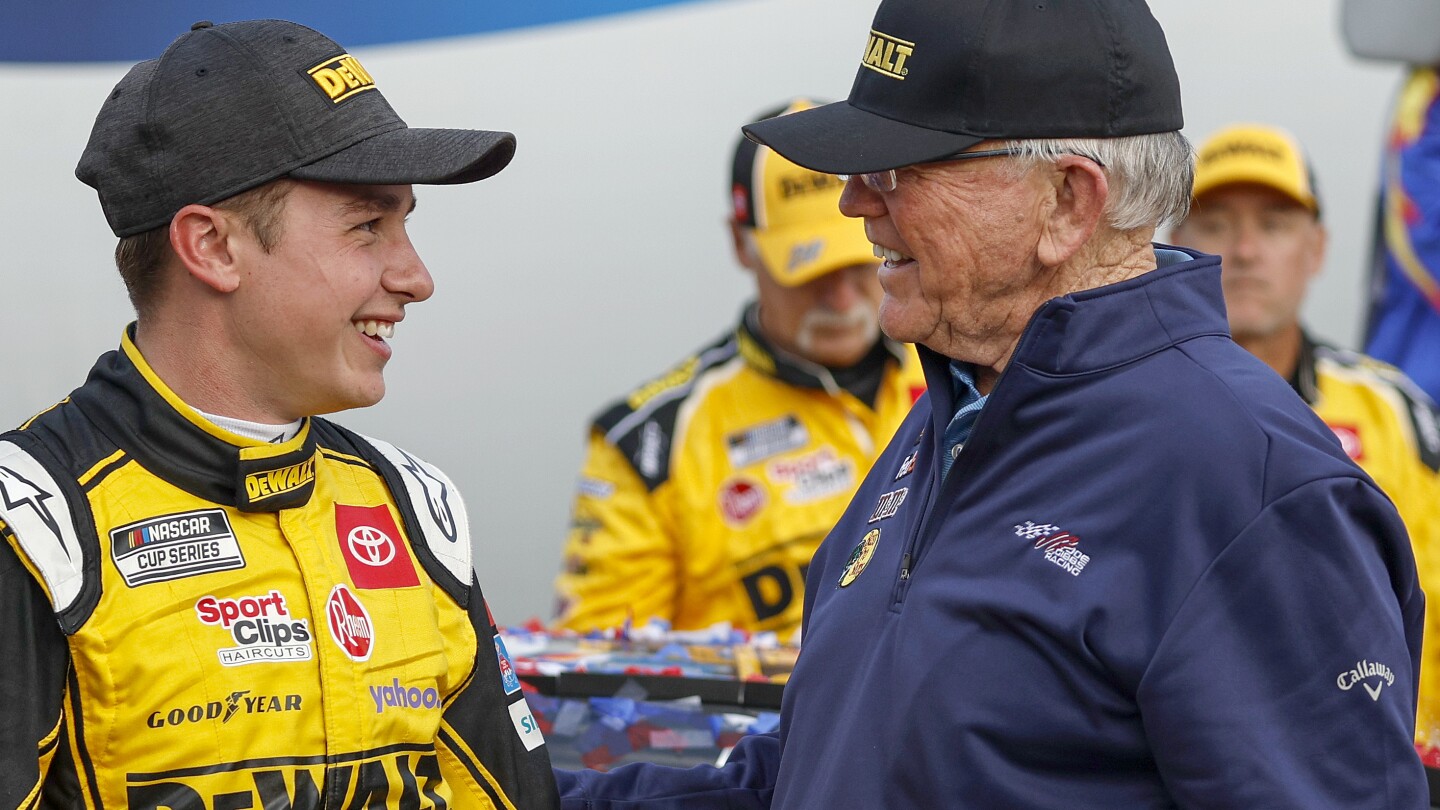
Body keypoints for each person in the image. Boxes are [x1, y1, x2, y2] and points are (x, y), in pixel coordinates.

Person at [554, 0, 1428, 806]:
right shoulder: (953, 415)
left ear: (1066, 201)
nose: (857, 203)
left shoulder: (1251, 486)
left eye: (898, 168)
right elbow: (818, 769)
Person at [0, 20, 559, 809]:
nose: (416, 277)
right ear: (214, 248)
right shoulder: (33, 523)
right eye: (368, 225)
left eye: (407, 225)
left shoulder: (412, 504)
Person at [551, 99, 924, 640]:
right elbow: (598, 670)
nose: (843, 299)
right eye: (809, 268)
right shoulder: (649, 443)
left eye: (856, 261)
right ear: (740, 245)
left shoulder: (968, 371)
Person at [1171, 121, 1440, 788]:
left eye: (1276, 222)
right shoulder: (1112, 411)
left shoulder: (1392, 412)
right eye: (1216, 223)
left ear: (1317, 249)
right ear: (1173, 246)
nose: (1246, 249)